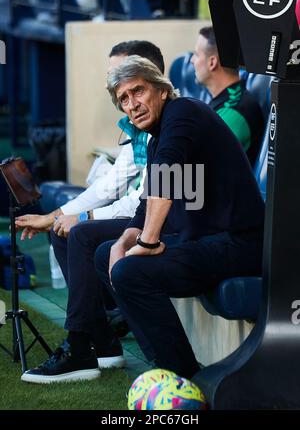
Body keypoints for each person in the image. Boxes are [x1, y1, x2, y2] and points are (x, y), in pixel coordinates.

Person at [92, 55, 265, 380]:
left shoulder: (183, 112)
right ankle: (163, 365)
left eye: (137, 91)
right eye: (124, 100)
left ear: (160, 89)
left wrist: (148, 241)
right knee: (106, 255)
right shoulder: (161, 132)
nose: (132, 104)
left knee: (131, 272)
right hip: (206, 240)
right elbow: (148, 202)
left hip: (241, 243)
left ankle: (184, 378)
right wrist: (126, 239)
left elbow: (166, 176)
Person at [20, 43, 165, 384]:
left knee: (82, 233)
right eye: (120, 89)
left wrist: (84, 219)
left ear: (154, 79)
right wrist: (57, 215)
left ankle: (80, 346)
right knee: (64, 230)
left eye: (134, 87)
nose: (125, 97)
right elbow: (114, 185)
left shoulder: (173, 122)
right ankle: (102, 340)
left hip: (170, 226)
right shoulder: (142, 122)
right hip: (145, 215)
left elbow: (145, 202)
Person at [191, 25, 264, 166]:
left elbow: (197, 165)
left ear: (212, 62)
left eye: (197, 54)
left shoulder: (235, 112)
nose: (191, 60)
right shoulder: (224, 103)